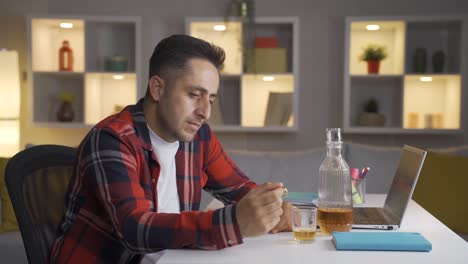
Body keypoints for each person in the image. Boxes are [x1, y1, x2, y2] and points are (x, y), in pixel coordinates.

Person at [49, 34, 292, 264]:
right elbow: (136, 229)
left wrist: (274, 207)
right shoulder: (111, 139)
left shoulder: (199, 137)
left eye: (211, 100)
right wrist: (233, 222)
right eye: (194, 95)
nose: (205, 112)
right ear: (157, 89)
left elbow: (239, 189)